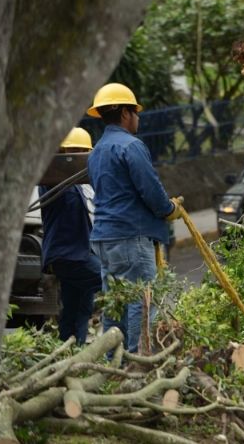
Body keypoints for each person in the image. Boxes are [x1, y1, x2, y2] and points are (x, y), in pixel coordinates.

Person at [86, 83, 182, 353]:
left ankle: (112, 364)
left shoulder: (96, 153)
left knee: (114, 304)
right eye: (136, 113)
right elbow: (150, 189)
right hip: (130, 236)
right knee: (141, 303)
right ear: (126, 114)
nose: (138, 118)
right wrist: (168, 209)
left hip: (104, 239)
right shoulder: (131, 146)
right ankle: (137, 365)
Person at [38, 128, 102, 344]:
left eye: (84, 154)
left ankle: (71, 355)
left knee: (78, 309)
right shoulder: (53, 180)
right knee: (114, 283)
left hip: (82, 252)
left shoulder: (84, 184)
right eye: (76, 153)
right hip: (69, 255)